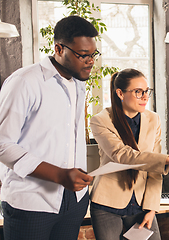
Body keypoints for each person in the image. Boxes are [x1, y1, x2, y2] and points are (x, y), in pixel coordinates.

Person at [0, 15, 99, 240]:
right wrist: (59, 174)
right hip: (31, 203)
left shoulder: (78, 84)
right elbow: (2, 144)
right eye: (83, 55)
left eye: (93, 54)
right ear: (59, 48)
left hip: (73, 202)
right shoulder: (24, 82)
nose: (91, 61)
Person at [89, 68, 169, 240]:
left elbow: (154, 170)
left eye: (146, 91)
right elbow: (123, 155)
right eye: (138, 92)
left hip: (141, 205)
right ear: (120, 93)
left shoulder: (153, 119)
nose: (144, 97)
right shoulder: (101, 120)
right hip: (107, 204)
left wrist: (151, 209)